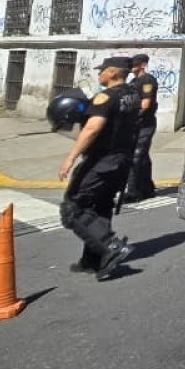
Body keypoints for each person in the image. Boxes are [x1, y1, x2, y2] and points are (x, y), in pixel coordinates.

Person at [56, 57, 136, 279]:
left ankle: (111, 246)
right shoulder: (132, 94)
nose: (99, 74)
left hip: (102, 161)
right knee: (100, 206)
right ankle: (94, 260)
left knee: (73, 208)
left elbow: (92, 128)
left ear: (112, 72)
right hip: (121, 161)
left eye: (102, 71)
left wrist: (70, 158)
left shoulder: (105, 97)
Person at [122, 53, 158, 203]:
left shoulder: (147, 80)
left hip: (144, 123)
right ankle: (147, 188)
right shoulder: (133, 81)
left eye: (133, 64)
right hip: (135, 124)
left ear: (142, 65)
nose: (131, 67)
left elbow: (145, 103)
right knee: (142, 156)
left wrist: (133, 117)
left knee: (136, 157)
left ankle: (133, 192)